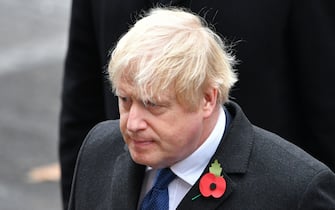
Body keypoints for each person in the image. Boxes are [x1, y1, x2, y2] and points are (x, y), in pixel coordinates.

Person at [60, 0, 335, 208]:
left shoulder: (298, 192)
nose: (132, 123)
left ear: (207, 99)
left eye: (153, 104)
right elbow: (81, 97)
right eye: (124, 100)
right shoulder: (96, 153)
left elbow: (323, 99)